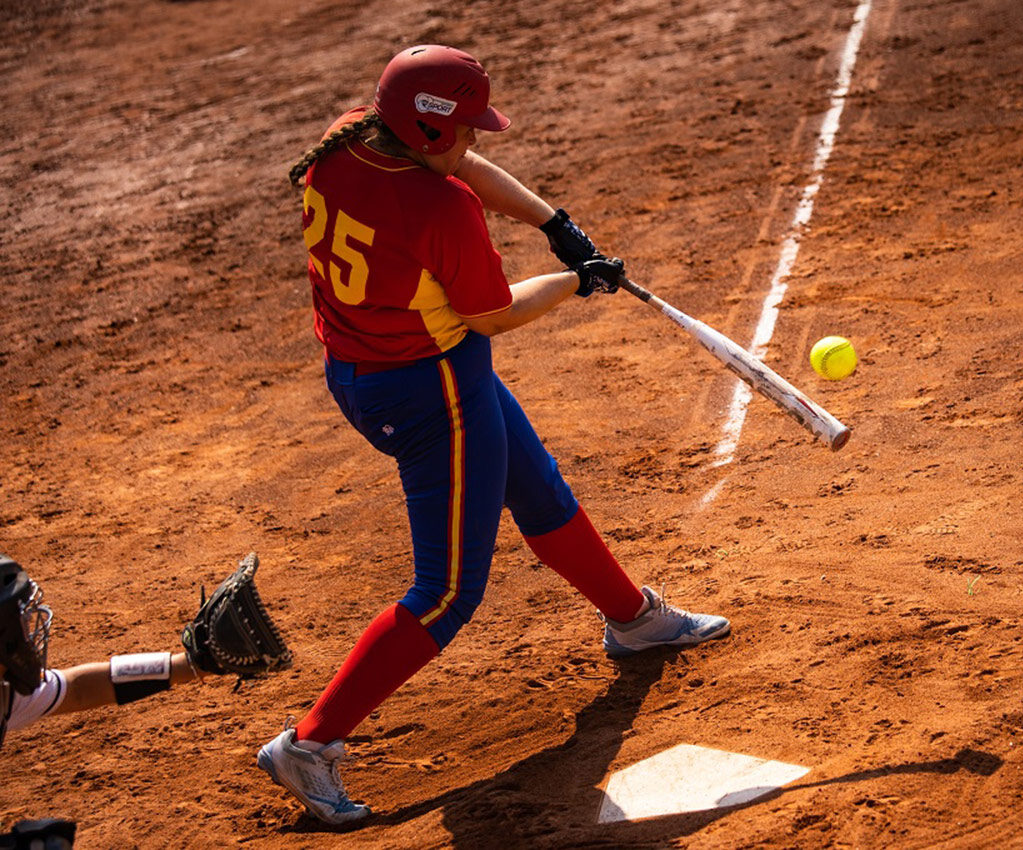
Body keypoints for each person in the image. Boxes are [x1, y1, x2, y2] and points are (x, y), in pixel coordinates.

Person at [256, 44, 731, 825]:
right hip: (427, 391)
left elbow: (459, 168)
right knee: (446, 591)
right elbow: (494, 314)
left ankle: (633, 619)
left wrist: (557, 225)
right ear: (429, 129)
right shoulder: (436, 210)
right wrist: (579, 280)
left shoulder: (353, 138)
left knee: (534, 484)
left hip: (379, 368)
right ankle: (309, 743)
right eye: (468, 127)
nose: (477, 140)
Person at [0, 551, 289, 749]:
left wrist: (192, 664)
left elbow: (77, 689)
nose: (30, 632)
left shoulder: (6, 694)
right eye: (20, 623)